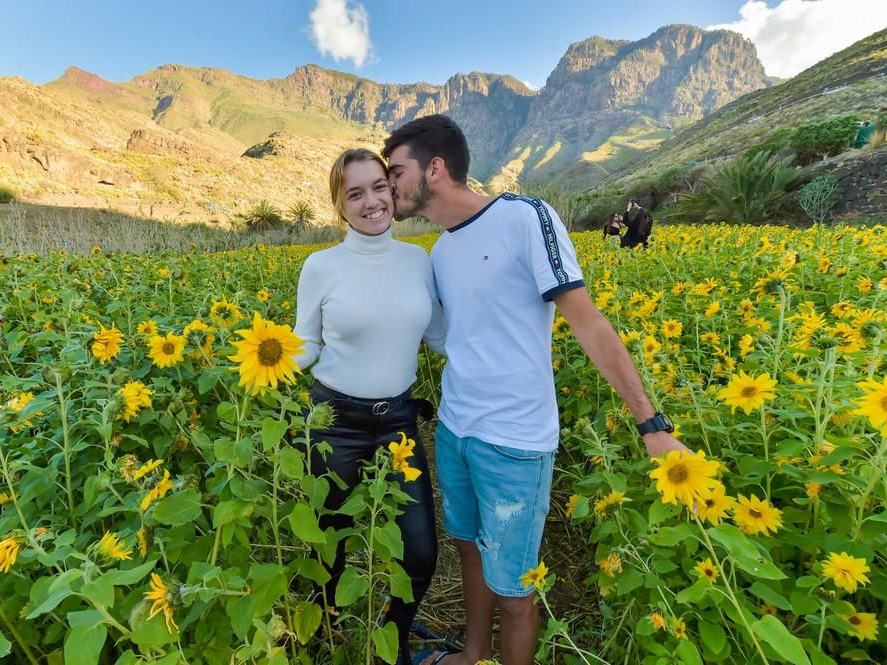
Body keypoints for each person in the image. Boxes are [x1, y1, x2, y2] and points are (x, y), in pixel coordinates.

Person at [381, 115, 687, 665]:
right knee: (469, 550)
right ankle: (472, 655)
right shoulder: (441, 251)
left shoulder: (525, 217)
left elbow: (587, 321)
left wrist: (650, 423)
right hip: (455, 430)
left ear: (434, 168)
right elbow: (455, 337)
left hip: (515, 441)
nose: (389, 184)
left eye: (396, 171)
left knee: (517, 588)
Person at [292, 148, 446, 665]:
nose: (371, 201)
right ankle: (326, 639)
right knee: (328, 552)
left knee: (421, 552)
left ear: (392, 190)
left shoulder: (418, 261)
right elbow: (306, 343)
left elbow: (442, 336)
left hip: (398, 421)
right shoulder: (320, 266)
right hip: (335, 422)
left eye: (378, 186)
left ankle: (391, 641)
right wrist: (266, 362)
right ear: (340, 205)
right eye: (355, 193)